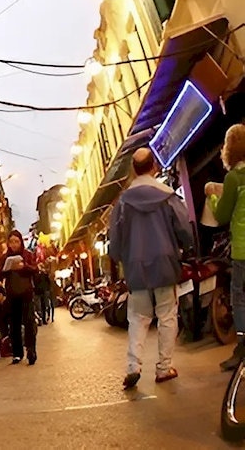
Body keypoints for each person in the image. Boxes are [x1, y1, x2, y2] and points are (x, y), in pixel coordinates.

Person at [109, 147, 194, 389]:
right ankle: (164, 368)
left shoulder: (123, 202)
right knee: (167, 315)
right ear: (154, 167)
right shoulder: (167, 196)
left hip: (136, 267)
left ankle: (133, 366)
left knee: (137, 317)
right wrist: (187, 247)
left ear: (134, 170)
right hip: (165, 264)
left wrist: (117, 258)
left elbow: (115, 239)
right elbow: (184, 229)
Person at [210, 125, 245, 371]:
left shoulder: (233, 177)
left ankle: (242, 347)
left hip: (243, 249)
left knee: (240, 299)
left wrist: (212, 196)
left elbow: (222, 215)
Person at [0, 230, 38, 365]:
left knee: (29, 323)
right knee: (14, 325)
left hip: (26, 294)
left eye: (16, 242)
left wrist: (23, 267)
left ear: (21, 242)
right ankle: (17, 353)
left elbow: (35, 270)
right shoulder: (4, 257)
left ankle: (31, 350)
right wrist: (7, 269)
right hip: (12, 295)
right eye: (11, 242)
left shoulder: (27, 255)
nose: (14, 245)